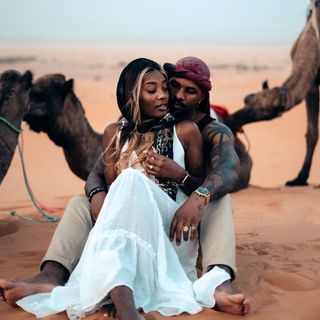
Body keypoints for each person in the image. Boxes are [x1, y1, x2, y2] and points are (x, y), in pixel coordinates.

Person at [0, 57, 251, 315]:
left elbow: (229, 170)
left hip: (181, 220)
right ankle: (51, 275)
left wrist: (196, 194)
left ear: (201, 97)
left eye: (190, 91)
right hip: (132, 215)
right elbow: (98, 170)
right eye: (173, 86)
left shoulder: (209, 130)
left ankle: (219, 281)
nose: (175, 95)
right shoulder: (130, 125)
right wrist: (98, 195)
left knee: (220, 200)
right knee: (79, 203)